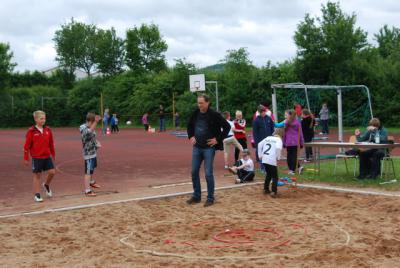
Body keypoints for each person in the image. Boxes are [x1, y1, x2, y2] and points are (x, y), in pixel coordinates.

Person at [187, 94, 231, 207]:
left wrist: (218, 139)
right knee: (194, 172)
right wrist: (191, 136)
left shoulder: (214, 114)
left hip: (208, 148)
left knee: (208, 173)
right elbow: (189, 125)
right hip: (197, 147)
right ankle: (196, 196)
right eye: (198, 103)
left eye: (201, 103)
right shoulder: (195, 113)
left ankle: (210, 198)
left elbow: (227, 127)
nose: (199, 105)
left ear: (207, 103)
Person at [23, 110, 56, 202]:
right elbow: (26, 146)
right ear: (36, 119)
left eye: (44, 118)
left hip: (47, 156)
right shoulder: (31, 131)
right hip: (37, 157)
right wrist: (26, 158)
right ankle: (37, 195)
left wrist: (53, 154)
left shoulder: (48, 130)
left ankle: (46, 184)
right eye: (41, 118)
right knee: (37, 176)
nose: (43, 120)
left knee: (52, 172)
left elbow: (51, 143)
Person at [80, 112, 102, 197]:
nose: (94, 125)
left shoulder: (90, 127)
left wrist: (96, 143)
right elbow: (88, 133)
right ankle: (87, 190)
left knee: (92, 169)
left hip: (93, 152)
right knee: (88, 172)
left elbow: (92, 137)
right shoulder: (83, 128)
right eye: (93, 123)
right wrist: (96, 122)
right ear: (89, 121)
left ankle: (91, 182)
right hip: (88, 154)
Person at [258, 128, 284, 197]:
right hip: (272, 159)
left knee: (269, 174)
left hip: (264, 159)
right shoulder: (279, 140)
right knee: (275, 176)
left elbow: (259, 144)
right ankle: (273, 191)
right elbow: (278, 148)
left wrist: (260, 155)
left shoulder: (268, 137)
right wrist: (278, 158)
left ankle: (265, 189)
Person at [283, 109, 304, 175]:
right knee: (294, 156)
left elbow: (284, 133)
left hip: (289, 142)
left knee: (290, 156)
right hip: (295, 142)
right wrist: (301, 142)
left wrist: (284, 142)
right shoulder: (297, 122)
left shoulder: (286, 122)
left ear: (289, 115)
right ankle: (298, 167)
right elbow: (300, 133)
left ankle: (292, 170)